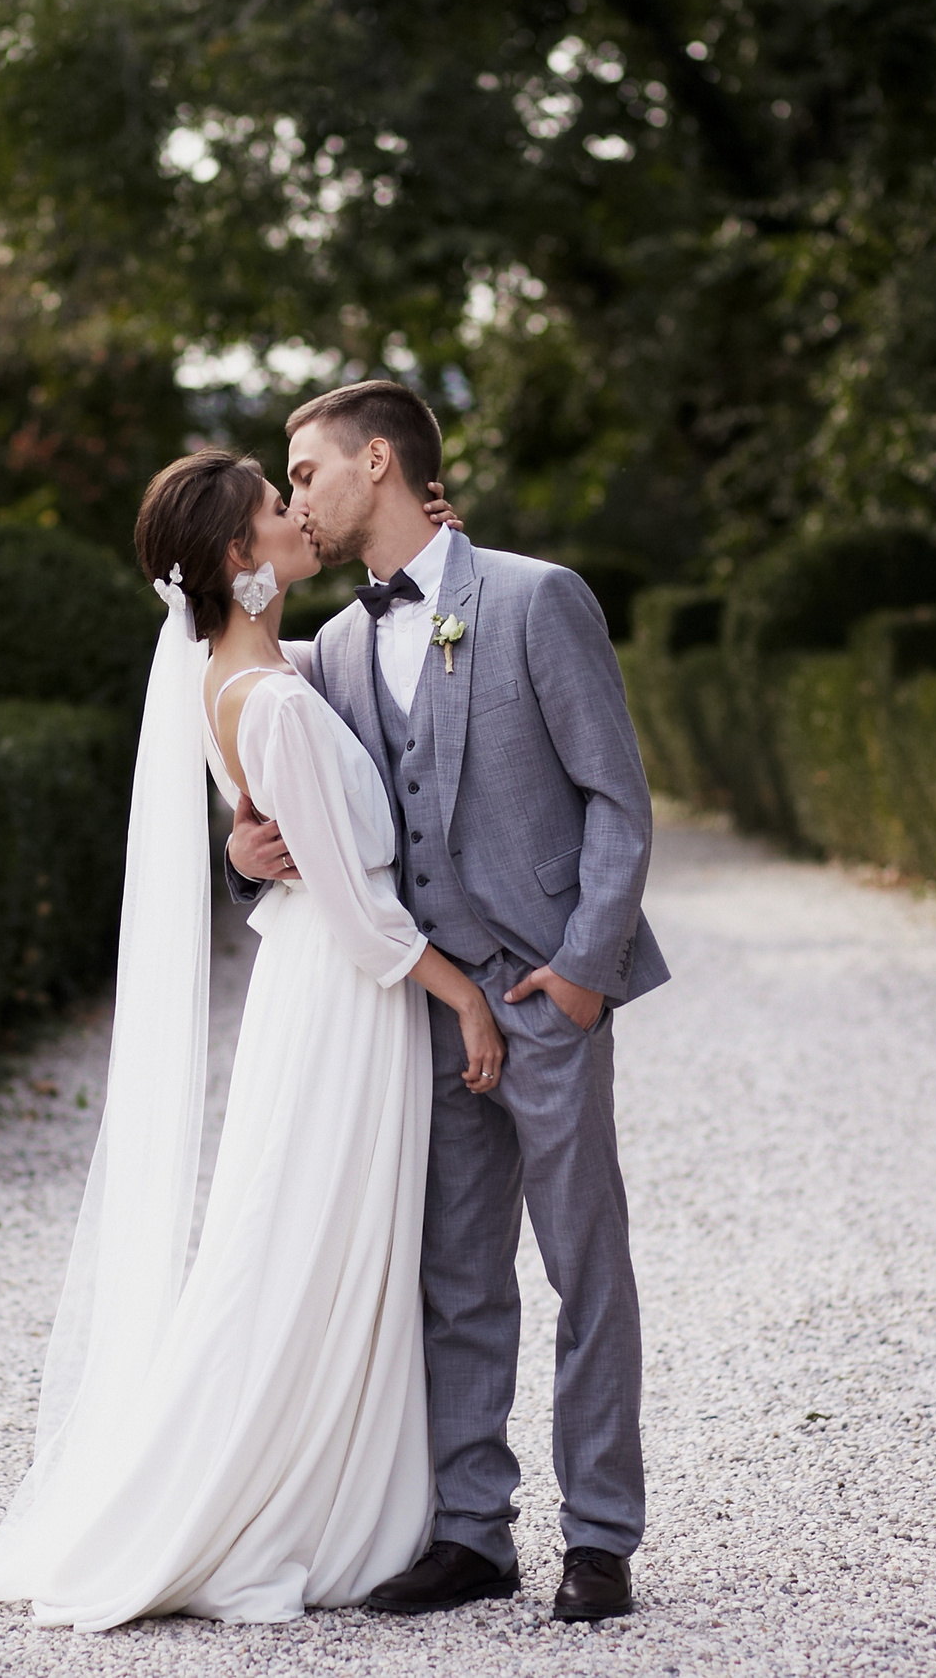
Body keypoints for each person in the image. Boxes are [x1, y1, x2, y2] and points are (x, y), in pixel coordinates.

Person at [0, 450, 506, 1629]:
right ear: (238, 557)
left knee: (318, 1235)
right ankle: (252, 1500)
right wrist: (463, 998)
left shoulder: (248, 672)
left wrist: (433, 556)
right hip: (342, 997)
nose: (296, 514)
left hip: (324, 986)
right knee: (302, 1240)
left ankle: (334, 1483)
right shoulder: (268, 699)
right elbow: (356, 907)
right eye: (275, 507)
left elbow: (318, 798)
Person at [229, 380, 666, 1623]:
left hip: (544, 991)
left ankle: (600, 1537)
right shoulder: (335, 646)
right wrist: (242, 852)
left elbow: (618, 801)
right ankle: (473, 1531)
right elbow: (258, 741)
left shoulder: (535, 597)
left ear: (378, 461)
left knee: (585, 1266)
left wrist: (580, 974)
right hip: (426, 1011)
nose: (295, 498)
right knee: (454, 1276)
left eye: (304, 472)